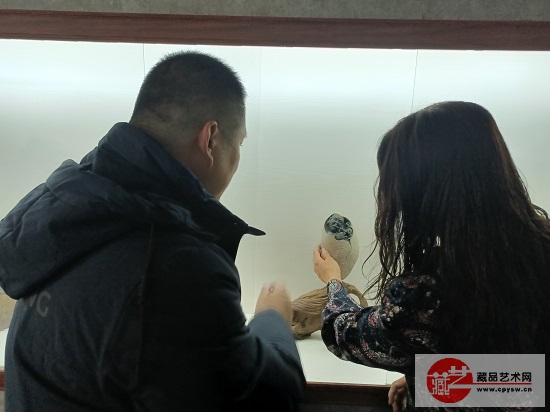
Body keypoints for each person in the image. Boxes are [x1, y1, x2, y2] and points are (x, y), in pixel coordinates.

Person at [0, 51, 305, 411]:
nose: (236, 158)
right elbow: (270, 400)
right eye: (239, 144)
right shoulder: (175, 264)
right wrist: (272, 318)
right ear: (210, 139)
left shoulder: (61, 214)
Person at [313, 101, 550, 411]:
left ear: (419, 193)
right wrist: (429, 376)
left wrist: (332, 281)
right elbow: (524, 381)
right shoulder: (538, 249)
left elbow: (345, 334)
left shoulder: (424, 294)